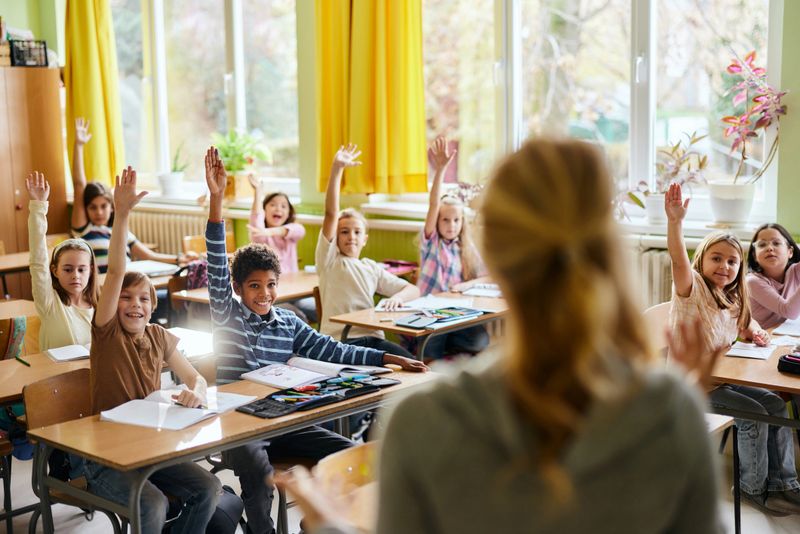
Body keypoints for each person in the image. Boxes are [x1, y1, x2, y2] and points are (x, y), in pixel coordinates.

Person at [280, 139, 723, 534]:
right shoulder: (671, 408)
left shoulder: (421, 421)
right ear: (609, 249)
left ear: (493, 257)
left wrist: (330, 527)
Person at [203, 147, 426, 534]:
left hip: (283, 418)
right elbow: (215, 262)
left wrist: (390, 360)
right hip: (239, 423)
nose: (265, 293)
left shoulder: (288, 323)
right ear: (238, 288)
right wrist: (218, 200)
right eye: (254, 286)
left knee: (352, 455)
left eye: (271, 285)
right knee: (257, 473)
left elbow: (337, 350)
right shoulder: (229, 314)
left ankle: (320, 524)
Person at [83, 166, 221, 534]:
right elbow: (114, 272)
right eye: (125, 299)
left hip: (149, 447)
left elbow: (194, 376)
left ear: (153, 305)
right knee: (153, 502)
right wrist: (122, 213)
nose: (135, 305)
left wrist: (196, 392)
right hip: (105, 457)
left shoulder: (159, 336)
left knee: (210, 487)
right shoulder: (107, 332)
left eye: (143, 299)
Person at [666, 183, 800, 515]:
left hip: (721, 380)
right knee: (752, 417)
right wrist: (675, 222)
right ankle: (750, 487)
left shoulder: (732, 297)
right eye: (716, 259)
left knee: (774, 405)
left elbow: (744, 324)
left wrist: (756, 333)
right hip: (692, 385)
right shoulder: (691, 288)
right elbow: (678, 259)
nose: (724, 266)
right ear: (701, 260)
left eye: (732, 262)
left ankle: (784, 483)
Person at [316, 144, 418, 357]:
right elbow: (331, 213)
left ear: (365, 239)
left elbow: (413, 290)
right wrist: (337, 169)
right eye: (344, 232)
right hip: (341, 341)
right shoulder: (330, 260)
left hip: (373, 340)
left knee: (413, 363)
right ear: (335, 236)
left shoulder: (371, 267)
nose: (350, 237)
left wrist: (396, 298)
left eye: (356, 232)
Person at [70, 117, 195, 272]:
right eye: (93, 207)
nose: (99, 212)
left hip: (127, 287)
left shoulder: (119, 231)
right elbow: (79, 186)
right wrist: (79, 145)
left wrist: (179, 259)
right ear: (85, 209)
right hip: (103, 291)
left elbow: (149, 256)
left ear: (112, 207)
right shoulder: (84, 230)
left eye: (104, 206)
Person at [414, 136, 489, 359]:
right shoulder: (432, 244)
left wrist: (467, 286)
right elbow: (434, 204)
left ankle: (451, 349)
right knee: (431, 351)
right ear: (437, 222)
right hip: (431, 314)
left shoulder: (464, 246)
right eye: (445, 220)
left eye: (456, 220)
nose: (451, 225)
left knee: (480, 339)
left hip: (456, 312)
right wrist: (440, 170)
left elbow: (485, 276)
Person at [27, 171, 98, 350]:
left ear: (90, 270)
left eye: (82, 269)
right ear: (54, 270)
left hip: (92, 375)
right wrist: (38, 206)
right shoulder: (49, 303)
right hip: (57, 377)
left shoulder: (99, 305)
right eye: (68, 269)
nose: (76, 275)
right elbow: (38, 261)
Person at [247, 177, 316, 322]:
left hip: (297, 294)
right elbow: (255, 222)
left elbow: (298, 230)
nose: (278, 208)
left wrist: (269, 231)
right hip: (275, 297)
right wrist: (258, 192)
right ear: (264, 210)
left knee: (322, 310)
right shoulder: (261, 238)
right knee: (299, 318)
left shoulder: (291, 233)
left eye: (284, 206)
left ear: (289, 213)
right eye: (273, 205)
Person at [746, 223, 800, 329]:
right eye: (762, 245)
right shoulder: (752, 282)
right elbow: (789, 312)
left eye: (776, 243)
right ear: (755, 256)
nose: (770, 248)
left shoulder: (795, 271)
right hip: (757, 341)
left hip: (784, 334)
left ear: (790, 252)